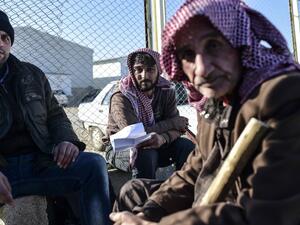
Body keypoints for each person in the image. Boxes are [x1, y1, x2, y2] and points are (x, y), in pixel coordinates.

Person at [110, 0, 300, 224]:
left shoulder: (283, 94)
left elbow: (267, 213)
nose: (202, 69)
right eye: (188, 54)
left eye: (213, 46)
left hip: (243, 210)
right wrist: (148, 213)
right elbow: (195, 169)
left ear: (240, 43)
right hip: (206, 199)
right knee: (135, 193)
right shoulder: (214, 102)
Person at [0, 11, 111, 225]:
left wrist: (66, 141)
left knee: (94, 164)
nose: (1, 43)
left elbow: (56, 115)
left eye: (5, 37)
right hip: (5, 172)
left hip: (39, 163)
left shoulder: (32, 75)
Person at [103, 48, 195, 179]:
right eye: (139, 69)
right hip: (120, 149)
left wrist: (163, 138)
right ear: (132, 71)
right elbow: (136, 136)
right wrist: (172, 123)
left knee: (186, 146)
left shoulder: (166, 91)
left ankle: (183, 192)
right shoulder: (121, 96)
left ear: (158, 71)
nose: (144, 75)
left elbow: (179, 128)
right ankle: (142, 197)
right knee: (146, 153)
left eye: (150, 70)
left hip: (159, 143)